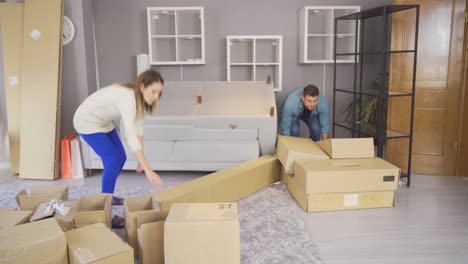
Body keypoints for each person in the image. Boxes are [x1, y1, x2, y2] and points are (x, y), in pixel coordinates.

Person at [73, 70, 164, 227]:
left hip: (102, 122)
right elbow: (131, 136)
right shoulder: (128, 99)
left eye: (159, 93)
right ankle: (106, 207)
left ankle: (109, 194)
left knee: (120, 157)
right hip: (86, 121)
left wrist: (141, 161)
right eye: (153, 91)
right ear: (142, 88)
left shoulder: (139, 101)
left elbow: (139, 131)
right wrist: (149, 169)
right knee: (112, 160)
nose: (156, 97)